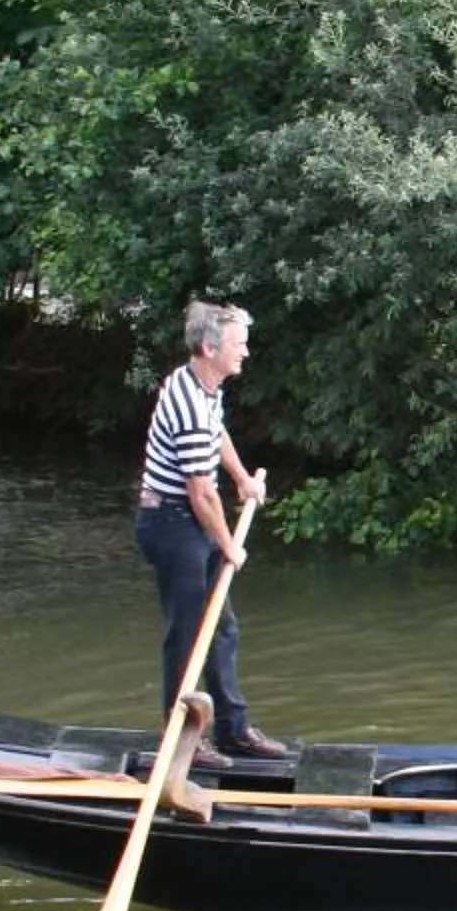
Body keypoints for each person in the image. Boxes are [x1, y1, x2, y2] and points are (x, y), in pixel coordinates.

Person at [136, 299, 286, 767]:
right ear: (208, 348)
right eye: (238, 345)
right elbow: (201, 494)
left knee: (221, 629)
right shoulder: (185, 404)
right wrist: (228, 546)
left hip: (190, 521)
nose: (245, 353)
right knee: (186, 636)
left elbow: (217, 433)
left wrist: (242, 478)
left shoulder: (207, 387)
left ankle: (234, 730)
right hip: (172, 525)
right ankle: (181, 740)